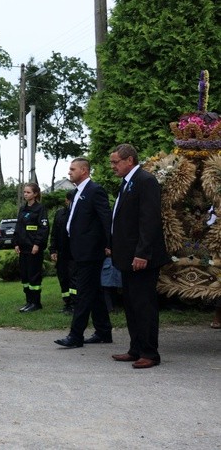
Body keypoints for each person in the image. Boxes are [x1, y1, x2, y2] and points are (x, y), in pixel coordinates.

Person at [109, 143, 170, 369]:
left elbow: (149, 220)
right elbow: (121, 220)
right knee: (132, 304)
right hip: (126, 257)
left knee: (144, 305)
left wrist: (142, 253)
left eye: (116, 162)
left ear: (129, 161)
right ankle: (135, 349)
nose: (113, 166)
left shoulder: (145, 181)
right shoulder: (127, 184)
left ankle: (149, 353)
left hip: (142, 257)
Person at [54, 158, 113, 349]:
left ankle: (75, 335)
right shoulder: (78, 192)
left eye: (73, 169)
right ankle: (104, 331)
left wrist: (109, 244)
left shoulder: (95, 191)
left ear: (84, 171)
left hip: (91, 252)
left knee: (83, 293)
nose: (69, 172)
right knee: (94, 292)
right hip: (78, 250)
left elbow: (106, 219)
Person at [12, 182, 49, 312]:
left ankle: (36, 302)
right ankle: (28, 301)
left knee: (34, 275)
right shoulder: (22, 209)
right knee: (25, 276)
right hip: (23, 248)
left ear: (35, 194)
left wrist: (37, 244)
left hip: (34, 248)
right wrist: (16, 243)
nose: (25, 194)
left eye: (28, 192)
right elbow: (18, 227)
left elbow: (43, 229)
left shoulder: (40, 209)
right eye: (24, 192)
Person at [49, 190, 77, 314]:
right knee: (63, 278)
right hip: (61, 253)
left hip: (74, 253)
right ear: (66, 201)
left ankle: (75, 304)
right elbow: (54, 233)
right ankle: (67, 303)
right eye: (69, 200)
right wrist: (53, 250)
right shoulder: (60, 214)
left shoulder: (78, 213)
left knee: (73, 279)